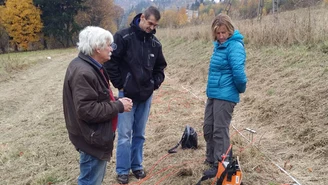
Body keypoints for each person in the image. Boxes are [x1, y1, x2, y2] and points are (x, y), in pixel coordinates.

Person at [104, 6, 167, 184]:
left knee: (140, 134)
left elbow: (160, 68)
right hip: (126, 96)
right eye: (150, 23)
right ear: (142, 18)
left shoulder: (155, 44)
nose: (152, 28)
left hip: (146, 96)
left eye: (155, 25)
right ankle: (122, 170)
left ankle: (137, 166)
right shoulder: (123, 37)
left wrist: (154, 83)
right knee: (124, 134)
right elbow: (111, 62)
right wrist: (121, 84)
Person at [63, 26, 133, 185]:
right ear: (97, 47)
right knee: (90, 181)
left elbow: (95, 97)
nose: (111, 49)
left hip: (93, 136)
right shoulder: (84, 72)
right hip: (91, 139)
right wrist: (118, 106)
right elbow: (87, 110)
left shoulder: (88, 66)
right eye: (108, 45)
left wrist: (115, 101)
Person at [203, 13, 247, 176]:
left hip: (226, 95)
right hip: (214, 93)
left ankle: (221, 164)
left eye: (223, 32)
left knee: (220, 130)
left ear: (229, 30)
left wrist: (238, 89)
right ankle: (210, 158)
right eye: (218, 33)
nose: (221, 36)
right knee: (208, 127)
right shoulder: (219, 45)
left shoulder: (235, 46)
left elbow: (239, 73)